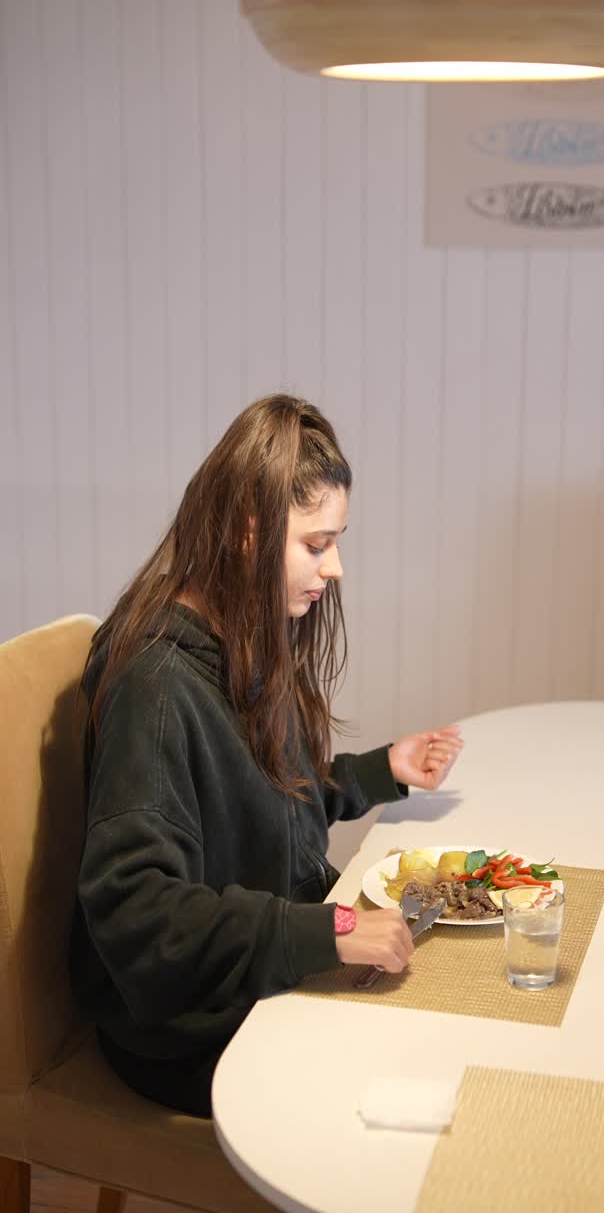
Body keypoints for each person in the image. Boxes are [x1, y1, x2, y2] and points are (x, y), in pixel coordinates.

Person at [70, 394, 463, 1118]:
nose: (335, 567)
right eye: (316, 544)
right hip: (190, 1032)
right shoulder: (155, 687)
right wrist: (332, 930)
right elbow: (137, 915)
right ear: (249, 534)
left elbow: (255, 802)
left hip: (251, 978)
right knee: (425, 1082)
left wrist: (373, 774)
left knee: (456, 1006)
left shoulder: (237, 639)